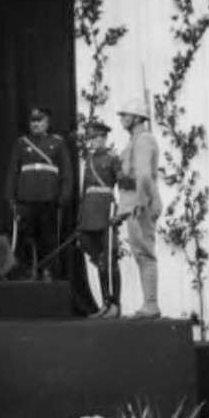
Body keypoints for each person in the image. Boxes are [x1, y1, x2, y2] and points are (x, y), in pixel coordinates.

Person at [6, 106, 74, 280]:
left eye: (39, 121)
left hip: (49, 198)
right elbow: (13, 172)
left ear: (47, 122)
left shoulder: (57, 143)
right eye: (33, 121)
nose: (35, 124)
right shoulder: (22, 143)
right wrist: (10, 196)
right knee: (25, 238)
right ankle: (27, 271)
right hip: (25, 198)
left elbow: (66, 173)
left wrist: (64, 197)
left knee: (48, 238)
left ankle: (47, 271)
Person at [116, 98, 162, 318]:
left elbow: (143, 174)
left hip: (139, 203)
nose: (122, 119)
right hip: (134, 202)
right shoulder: (135, 140)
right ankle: (149, 303)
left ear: (136, 118)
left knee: (145, 254)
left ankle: (151, 304)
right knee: (141, 254)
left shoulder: (143, 140)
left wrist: (142, 202)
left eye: (125, 115)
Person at [78, 120, 123, 318]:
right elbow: (84, 190)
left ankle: (115, 304)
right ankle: (105, 303)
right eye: (91, 138)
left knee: (110, 260)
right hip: (89, 214)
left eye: (96, 137)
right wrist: (81, 217)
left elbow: (124, 186)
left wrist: (121, 212)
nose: (93, 141)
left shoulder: (113, 158)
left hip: (106, 211)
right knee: (100, 261)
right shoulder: (88, 160)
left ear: (104, 138)